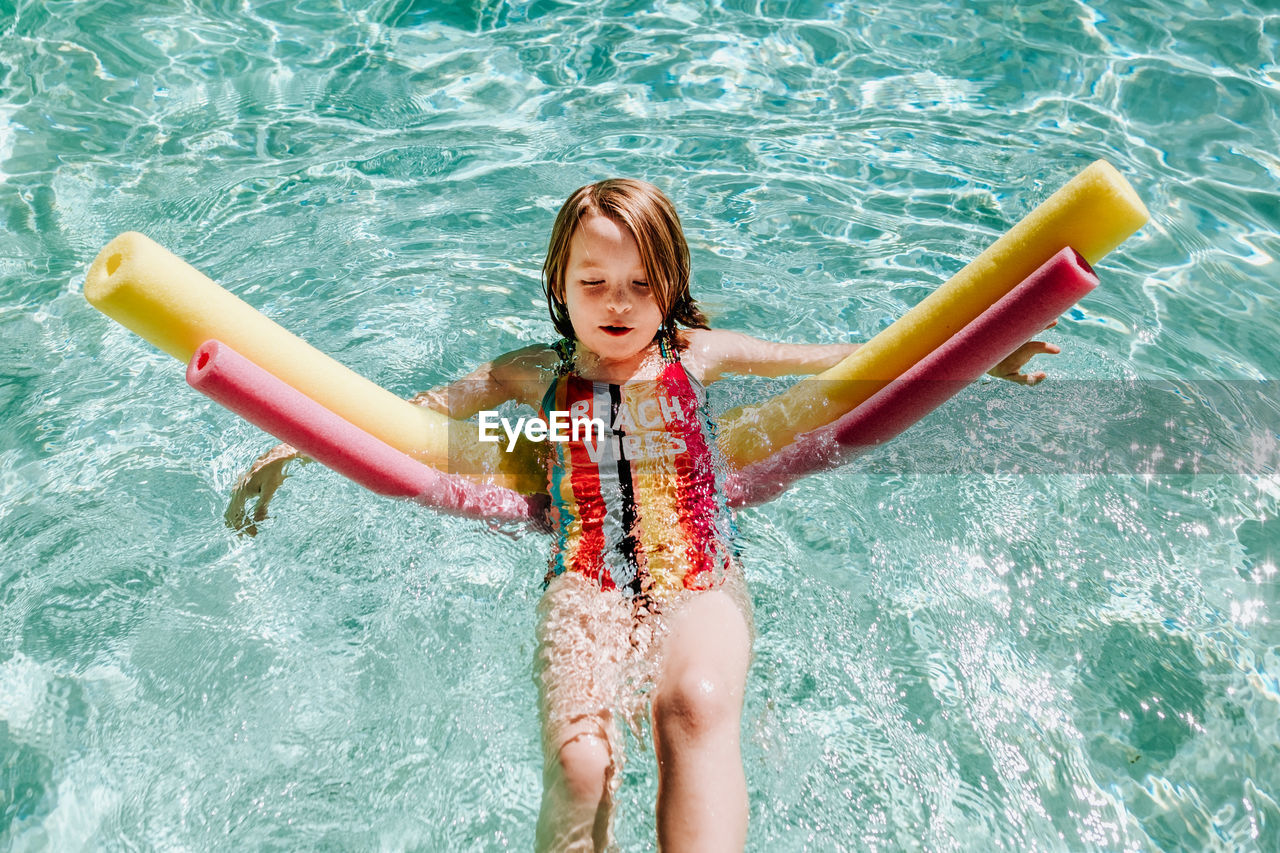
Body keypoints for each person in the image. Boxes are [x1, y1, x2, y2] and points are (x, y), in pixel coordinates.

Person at [226, 179, 1058, 851]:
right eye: (592, 283)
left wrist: (984, 355)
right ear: (559, 283)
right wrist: (294, 445)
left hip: (698, 571)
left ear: (673, 284)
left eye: (639, 284)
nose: (616, 303)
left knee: (691, 700)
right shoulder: (531, 374)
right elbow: (409, 413)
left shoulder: (700, 353)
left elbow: (854, 363)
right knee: (583, 761)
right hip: (585, 578)